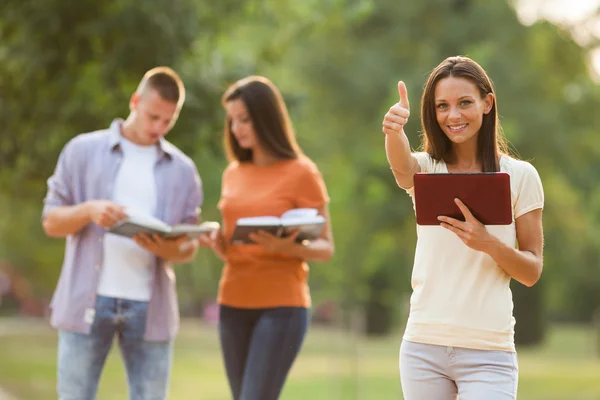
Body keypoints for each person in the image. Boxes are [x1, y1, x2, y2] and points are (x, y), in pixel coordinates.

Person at [381, 56, 544, 399]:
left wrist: (489, 243)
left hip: (489, 351)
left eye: (464, 103)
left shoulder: (521, 176)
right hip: (423, 347)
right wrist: (393, 131)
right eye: (442, 106)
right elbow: (401, 165)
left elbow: (531, 270)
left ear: (487, 104)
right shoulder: (426, 171)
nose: (453, 116)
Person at [42, 66, 204, 400]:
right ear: (134, 101)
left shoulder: (183, 170)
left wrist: (167, 247)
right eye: (153, 117)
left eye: (168, 121)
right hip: (87, 301)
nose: (158, 128)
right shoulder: (81, 150)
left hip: (151, 307)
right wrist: (89, 210)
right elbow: (51, 221)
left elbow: (188, 248)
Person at [200, 75, 335, 400]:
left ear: (266, 117)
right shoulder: (233, 173)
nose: (237, 129)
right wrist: (218, 241)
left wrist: (287, 246)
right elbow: (236, 246)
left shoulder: (302, 172)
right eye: (232, 120)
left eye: (244, 119)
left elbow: (327, 247)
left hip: (281, 306)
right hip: (232, 302)